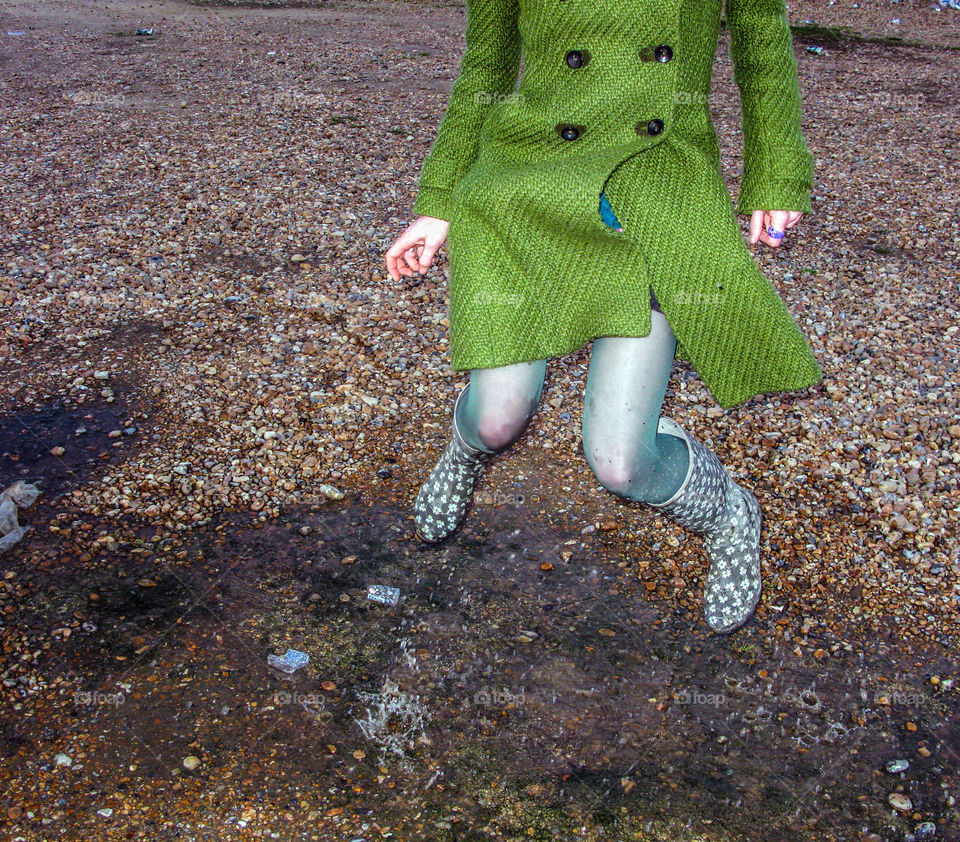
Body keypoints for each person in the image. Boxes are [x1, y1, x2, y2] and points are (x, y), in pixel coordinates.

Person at [385, 0, 822, 633]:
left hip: (655, 189)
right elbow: (485, 68)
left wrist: (776, 174)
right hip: (525, 189)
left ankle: (729, 511)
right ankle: (464, 450)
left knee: (621, 462)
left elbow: (763, 53)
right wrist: (440, 201)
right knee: (496, 419)